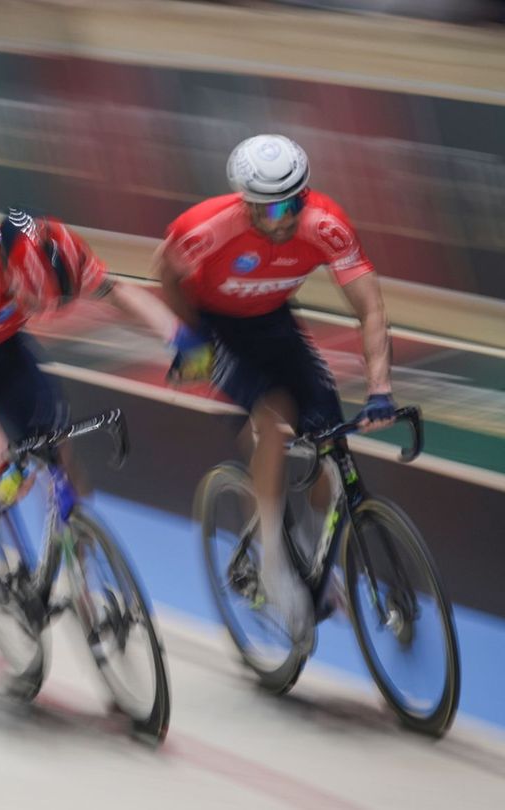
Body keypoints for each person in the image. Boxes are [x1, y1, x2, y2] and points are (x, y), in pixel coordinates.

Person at [158, 134, 396, 641]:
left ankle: (312, 561)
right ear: (245, 203)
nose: (284, 219)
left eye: (294, 203)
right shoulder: (206, 228)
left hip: (274, 323)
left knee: (330, 440)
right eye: (269, 209)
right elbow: (168, 269)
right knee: (272, 422)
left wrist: (380, 388)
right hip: (219, 329)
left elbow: (371, 308)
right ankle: (271, 565)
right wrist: (189, 337)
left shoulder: (325, 225)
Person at [0, 208, 178, 603]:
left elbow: (119, 293)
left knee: (58, 451)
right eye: (37, 299)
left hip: (2, 341)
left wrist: (180, 337)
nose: (45, 310)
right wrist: (6, 461)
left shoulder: (60, 250)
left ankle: (84, 578)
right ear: (13, 275)